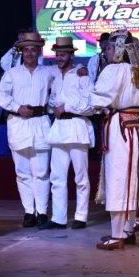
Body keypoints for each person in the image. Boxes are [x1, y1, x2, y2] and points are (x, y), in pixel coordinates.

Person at [91, 30, 139, 249]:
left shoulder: (113, 71)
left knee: (119, 177)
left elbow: (97, 98)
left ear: (118, 50)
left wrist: (101, 106)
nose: (106, 51)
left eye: (109, 47)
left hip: (122, 128)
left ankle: (117, 236)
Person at [0, 31, 53, 228]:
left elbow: (66, 75)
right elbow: (1, 97)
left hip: (40, 124)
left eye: (33, 50)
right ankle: (29, 211)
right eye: (26, 50)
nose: (29, 53)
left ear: (39, 51)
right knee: (22, 173)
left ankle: (42, 212)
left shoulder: (47, 73)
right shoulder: (12, 73)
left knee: (42, 172)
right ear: (21, 52)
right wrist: (17, 107)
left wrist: (81, 70)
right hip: (19, 124)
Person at [45, 36, 96, 230]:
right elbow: (52, 103)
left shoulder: (82, 74)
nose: (59, 57)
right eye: (57, 54)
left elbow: (90, 104)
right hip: (59, 130)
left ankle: (81, 216)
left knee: (80, 176)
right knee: (57, 177)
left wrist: (67, 107)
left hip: (76, 128)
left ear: (71, 55)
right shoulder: (56, 77)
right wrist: (55, 107)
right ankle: (58, 217)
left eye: (63, 54)